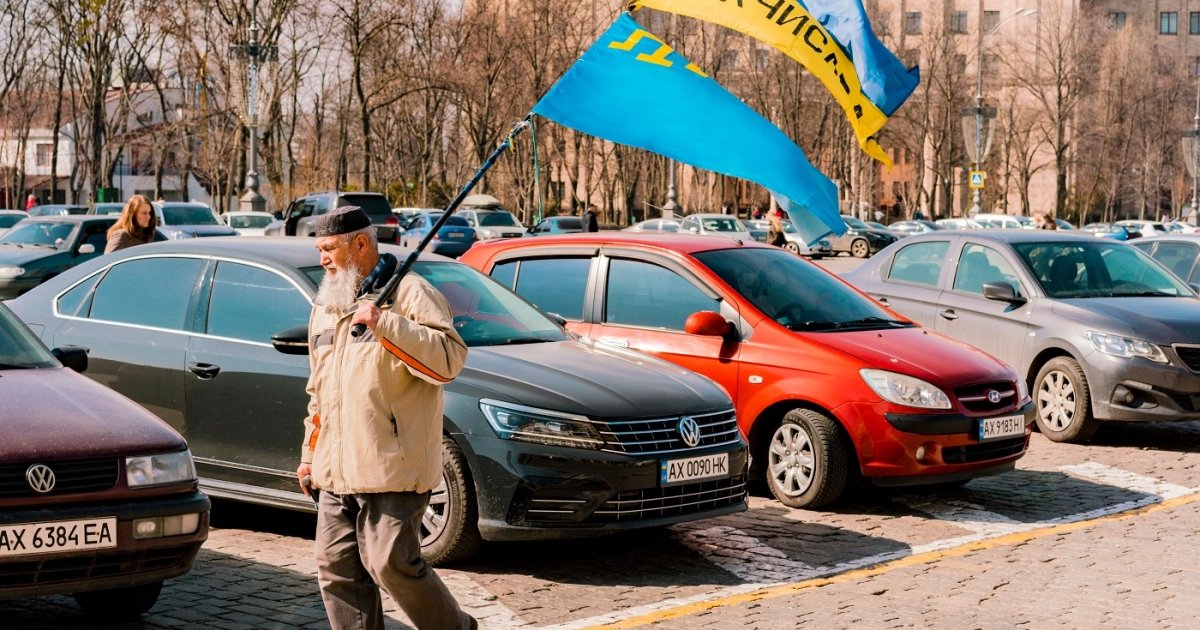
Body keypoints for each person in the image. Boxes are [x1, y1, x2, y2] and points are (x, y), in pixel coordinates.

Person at [296, 206, 475, 630]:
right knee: (335, 568)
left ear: (361, 244)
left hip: (392, 464)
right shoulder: (326, 305)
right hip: (334, 468)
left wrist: (385, 323)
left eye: (329, 248)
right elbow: (319, 390)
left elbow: (449, 361)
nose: (322, 258)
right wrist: (309, 453)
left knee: (390, 563)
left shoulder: (411, 293)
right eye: (319, 248)